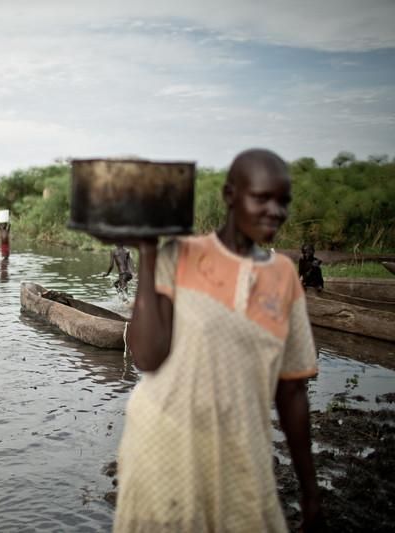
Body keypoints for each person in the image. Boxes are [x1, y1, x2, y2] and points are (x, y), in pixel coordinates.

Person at [114, 149, 324, 532]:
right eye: (262, 198)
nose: (275, 211)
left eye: (283, 202)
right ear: (230, 196)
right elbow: (146, 356)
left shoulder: (284, 276)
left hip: (244, 455)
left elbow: (292, 391)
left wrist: (311, 489)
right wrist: (147, 250)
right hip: (163, 449)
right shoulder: (180, 255)